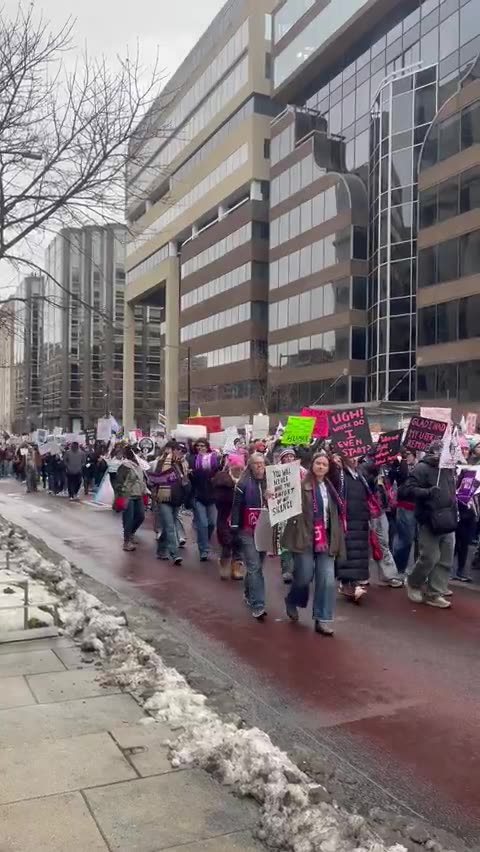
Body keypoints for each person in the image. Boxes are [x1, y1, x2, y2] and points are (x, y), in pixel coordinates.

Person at [282, 452, 345, 636]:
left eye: (325, 465)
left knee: (326, 580)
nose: (321, 467)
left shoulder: (330, 488)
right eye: (318, 463)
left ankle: (322, 619)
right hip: (305, 537)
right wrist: (272, 496)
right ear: (312, 465)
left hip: (325, 539)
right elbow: (285, 503)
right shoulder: (302, 486)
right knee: (303, 577)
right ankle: (292, 600)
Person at [405, 438, 457, 608]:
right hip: (429, 520)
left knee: (445, 559)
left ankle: (435, 593)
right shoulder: (422, 468)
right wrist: (427, 492)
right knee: (430, 557)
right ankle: (413, 582)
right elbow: (408, 490)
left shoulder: (449, 469)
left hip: (448, 518)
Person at [231, 453, 269, 620]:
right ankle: (258, 605)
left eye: (262, 463)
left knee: (258, 565)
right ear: (250, 466)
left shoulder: (271, 483)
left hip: (265, 529)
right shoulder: (243, 484)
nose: (260, 466)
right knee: (254, 566)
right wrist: (234, 527)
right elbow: (236, 506)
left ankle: (248, 592)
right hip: (247, 530)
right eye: (256, 464)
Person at [330, 453, 370, 603]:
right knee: (347, 552)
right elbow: (332, 477)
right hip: (346, 519)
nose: (354, 460)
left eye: (356, 457)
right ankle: (349, 584)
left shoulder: (360, 475)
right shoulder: (340, 474)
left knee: (358, 552)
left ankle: (352, 584)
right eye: (351, 457)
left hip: (359, 518)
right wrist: (332, 463)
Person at [360, 457, 403, 588]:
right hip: (367, 511)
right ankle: (361, 576)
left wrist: (398, 465)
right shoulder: (363, 466)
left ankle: (389, 575)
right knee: (366, 544)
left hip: (381, 510)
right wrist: (374, 472)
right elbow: (367, 485)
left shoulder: (384, 468)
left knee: (383, 542)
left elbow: (396, 480)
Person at [150, 441, 190, 565]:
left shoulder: (184, 465)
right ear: (172, 450)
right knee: (170, 526)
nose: (180, 453)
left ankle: (161, 550)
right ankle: (174, 553)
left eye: (183, 451)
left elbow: (185, 482)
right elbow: (154, 479)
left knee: (168, 528)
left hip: (177, 499)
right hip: (163, 498)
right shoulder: (162, 462)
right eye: (178, 450)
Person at [212, 453, 245, 580]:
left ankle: (236, 567)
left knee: (239, 542)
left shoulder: (245, 480)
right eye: (236, 467)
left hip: (241, 516)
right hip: (225, 516)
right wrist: (234, 492)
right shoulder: (222, 479)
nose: (239, 469)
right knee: (227, 542)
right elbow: (219, 498)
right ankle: (224, 563)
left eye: (241, 467)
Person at [188, 439, 219, 561]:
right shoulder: (192, 459)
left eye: (203, 446)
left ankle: (205, 540)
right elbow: (189, 476)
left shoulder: (213, 458)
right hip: (198, 495)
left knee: (212, 523)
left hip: (212, 496)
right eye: (198, 446)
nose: (200, 448)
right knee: (203, 524)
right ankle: (204, 549)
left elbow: (218, 471)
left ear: (207, 447)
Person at [114, 447, 148, 552]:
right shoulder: (125, 467)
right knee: (128, 519)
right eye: (137, 454)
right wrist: (121, 495)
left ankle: (131, 533)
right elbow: (119, 482)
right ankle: (127, 541)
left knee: (141, 516)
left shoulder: (140, 466)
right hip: (128, 496)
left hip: (139, 495)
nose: (140, 456)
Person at [391, 449, 417, 576]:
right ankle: (398, 569)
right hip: (405, 505)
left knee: (420, 541)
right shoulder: (402, 465)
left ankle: (418, 573)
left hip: (421, 507)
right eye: (407, 455)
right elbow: (400, 481)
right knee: (405, 539)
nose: (408, 457)